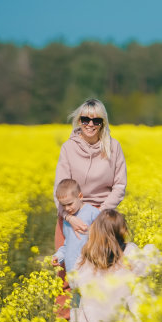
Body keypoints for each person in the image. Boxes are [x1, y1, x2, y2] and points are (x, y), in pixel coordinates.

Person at [64, 209, 162, 322]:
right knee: (141, 287)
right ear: (122, 231)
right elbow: (152, 261)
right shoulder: (129, 252)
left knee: (78, 295)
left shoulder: (86, 255)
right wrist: (150, 247)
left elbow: (73, 281)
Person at [54, 99, 127, 251]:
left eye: (96, 120)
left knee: (101, 269)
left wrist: (98, 215)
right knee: (67, 268)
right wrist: (70, 218)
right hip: (71, 214)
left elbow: (119, 186)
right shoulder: (68, 148)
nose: (90, 124)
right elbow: (58, 189)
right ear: (79, 121)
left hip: (103, 215)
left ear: (103, 123)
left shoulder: (114, 147)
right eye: (85, 119)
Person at [52, 178, 100, 273]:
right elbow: (68, 244)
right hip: (72, 269)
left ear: (80, 196)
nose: (67, 208)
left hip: (90, 267)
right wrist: (58, 256)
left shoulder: (93, 213)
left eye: (70, 204)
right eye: (63, 205)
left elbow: (104, 236)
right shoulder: (67, 221)